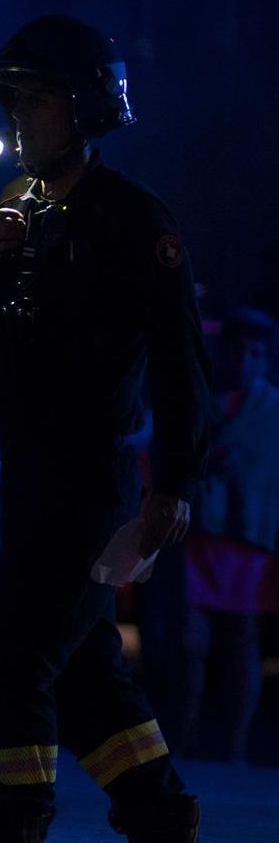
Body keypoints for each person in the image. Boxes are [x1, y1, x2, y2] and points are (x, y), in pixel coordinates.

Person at [0, 16, 213, 843]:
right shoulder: (30, 208)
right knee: (92, 686)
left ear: (84, 106)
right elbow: (8, 347)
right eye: (11, 99)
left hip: (87, 482)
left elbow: (181, 360)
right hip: (31, 475)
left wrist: (171, 483)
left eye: (35, 97)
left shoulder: (132, 217)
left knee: (12, 670)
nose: (19, 116)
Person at [173, 308, 279, 761]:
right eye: (239, 351)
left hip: (251, 537)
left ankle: (234, 747)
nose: (245, 362)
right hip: (200, 534)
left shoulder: (274, 410)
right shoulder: (202, 402)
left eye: (256, 353)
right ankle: (185, 741)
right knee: (188, 642)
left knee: (240, 643)